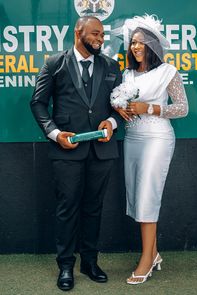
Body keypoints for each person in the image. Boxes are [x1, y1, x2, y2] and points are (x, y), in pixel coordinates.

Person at [30, 16, 122, 291]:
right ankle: (66, 266)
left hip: (102, 151)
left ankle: (90, 263)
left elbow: (120, 106)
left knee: (94, 208)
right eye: (95, 33)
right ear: (78, 32)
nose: (100, 39)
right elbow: (38, 103)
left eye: (103, 35)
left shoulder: (112, 66)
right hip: (66, 151)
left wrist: (113, 122)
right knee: (67, 209)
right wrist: (55, 133)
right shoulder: (54, 63)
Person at [113, 14, 189, 284]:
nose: (135, 47)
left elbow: (182, 108)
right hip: (133, 138)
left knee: (147, 195)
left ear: (153, 46)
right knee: (136, 195)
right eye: (133, 42)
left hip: (157, 138)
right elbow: (121, 102)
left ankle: (145, 259)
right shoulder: (128, 73)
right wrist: (119, 107)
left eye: (141, 43)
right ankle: (154, 253)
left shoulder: (168, 72)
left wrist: (152, 108)